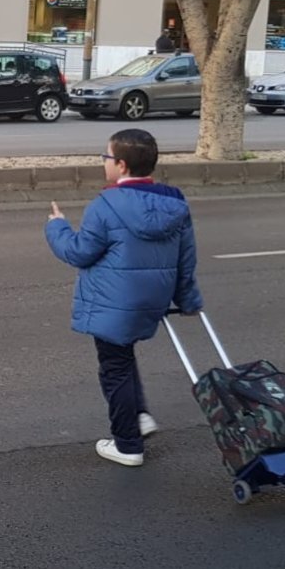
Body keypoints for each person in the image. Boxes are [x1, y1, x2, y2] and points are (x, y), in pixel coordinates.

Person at [45, 129, 203, 467]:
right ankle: (140, 416)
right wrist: (188, 300)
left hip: (113, 301)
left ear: (120, 164)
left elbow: (79, 253)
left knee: (114, 367)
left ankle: (128, 444)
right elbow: (185, 258)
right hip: (153, 298)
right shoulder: (175, 202)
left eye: (105, 158)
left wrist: (56, 227)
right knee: (123, 356)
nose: (103, 164)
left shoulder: (106, 204)